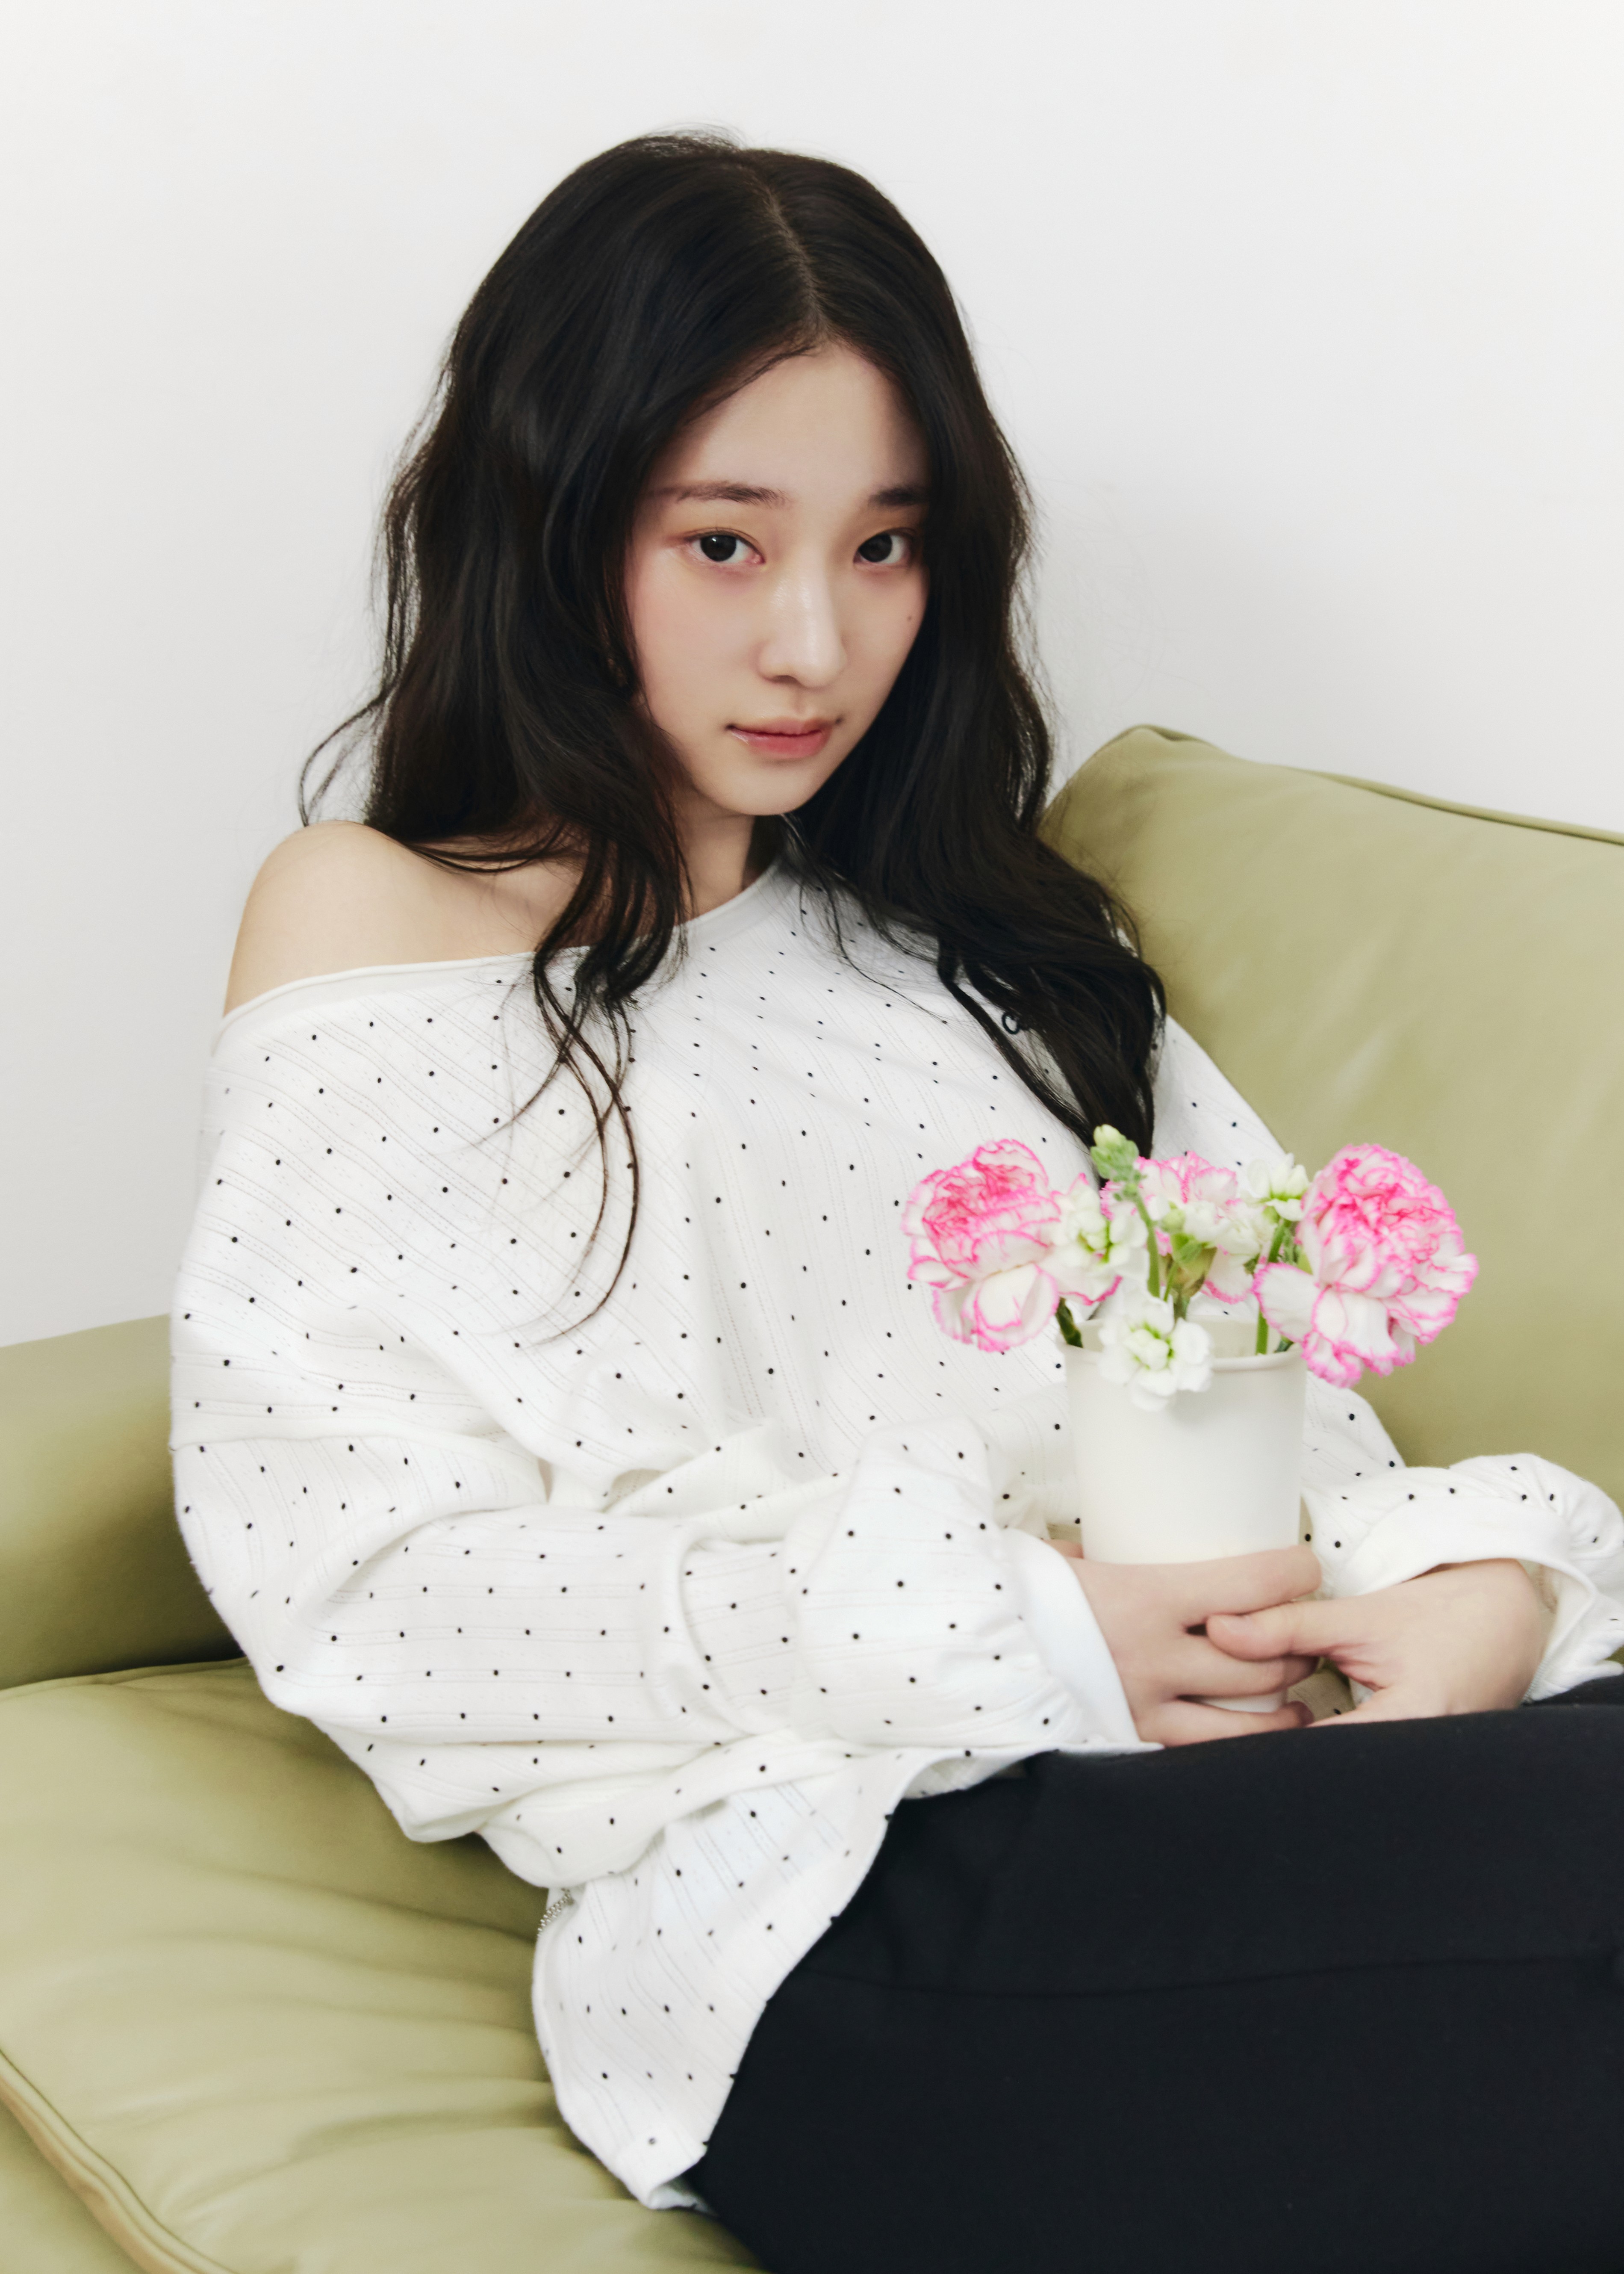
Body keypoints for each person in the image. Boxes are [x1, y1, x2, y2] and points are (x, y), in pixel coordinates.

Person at [174, 134, 1624, 2274]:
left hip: (1257, 1791)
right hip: (837, 1902)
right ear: (547, 523)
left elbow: (1281, 1392)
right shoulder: (381, 921)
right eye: (721, 542)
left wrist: (1480, 1578)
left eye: (883, 546)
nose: (812, 640)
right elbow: (366, 1585)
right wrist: (1019, 1628)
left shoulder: (995, 950)